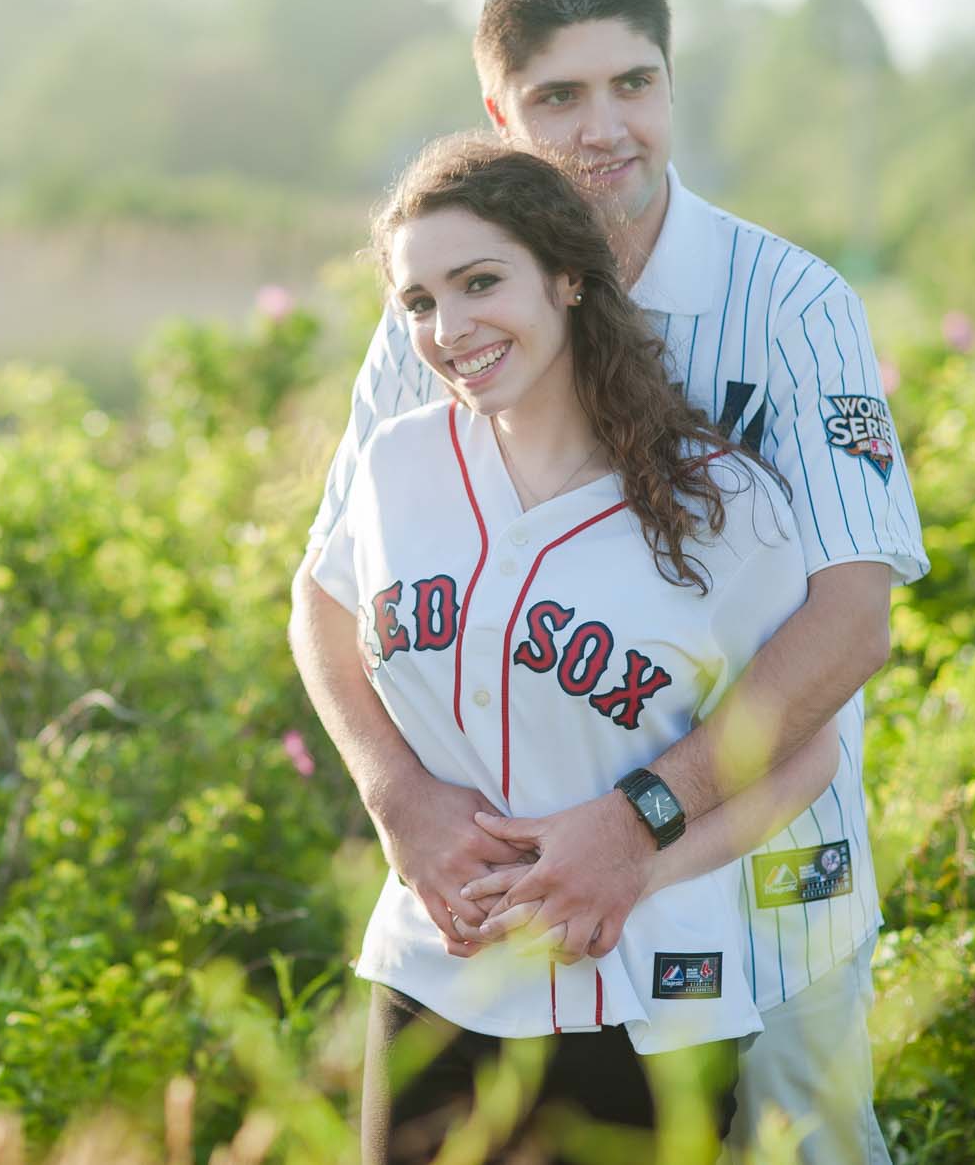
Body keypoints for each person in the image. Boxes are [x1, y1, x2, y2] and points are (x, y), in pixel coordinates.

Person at [289, 0, 928, 1163]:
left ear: (671, 84)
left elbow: (850, 616)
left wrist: (640, 820)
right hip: (510, 932)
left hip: (765, 876)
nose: (605, 129)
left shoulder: (789, 307)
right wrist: (398, 795)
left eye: (633, 83)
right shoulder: (439, 314)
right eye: (558, 97)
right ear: (498, 114)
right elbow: (325, 592)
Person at [314, 136, 840, 1159]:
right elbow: (324, 611)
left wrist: (641, 861)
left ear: (564, 278)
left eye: (478, 282)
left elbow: (803, 749)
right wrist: (393, 797)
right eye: (418, 301)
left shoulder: (719, 506)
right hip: (433, 976)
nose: (448, 327)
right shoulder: (394, 466)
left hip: (645, 996)